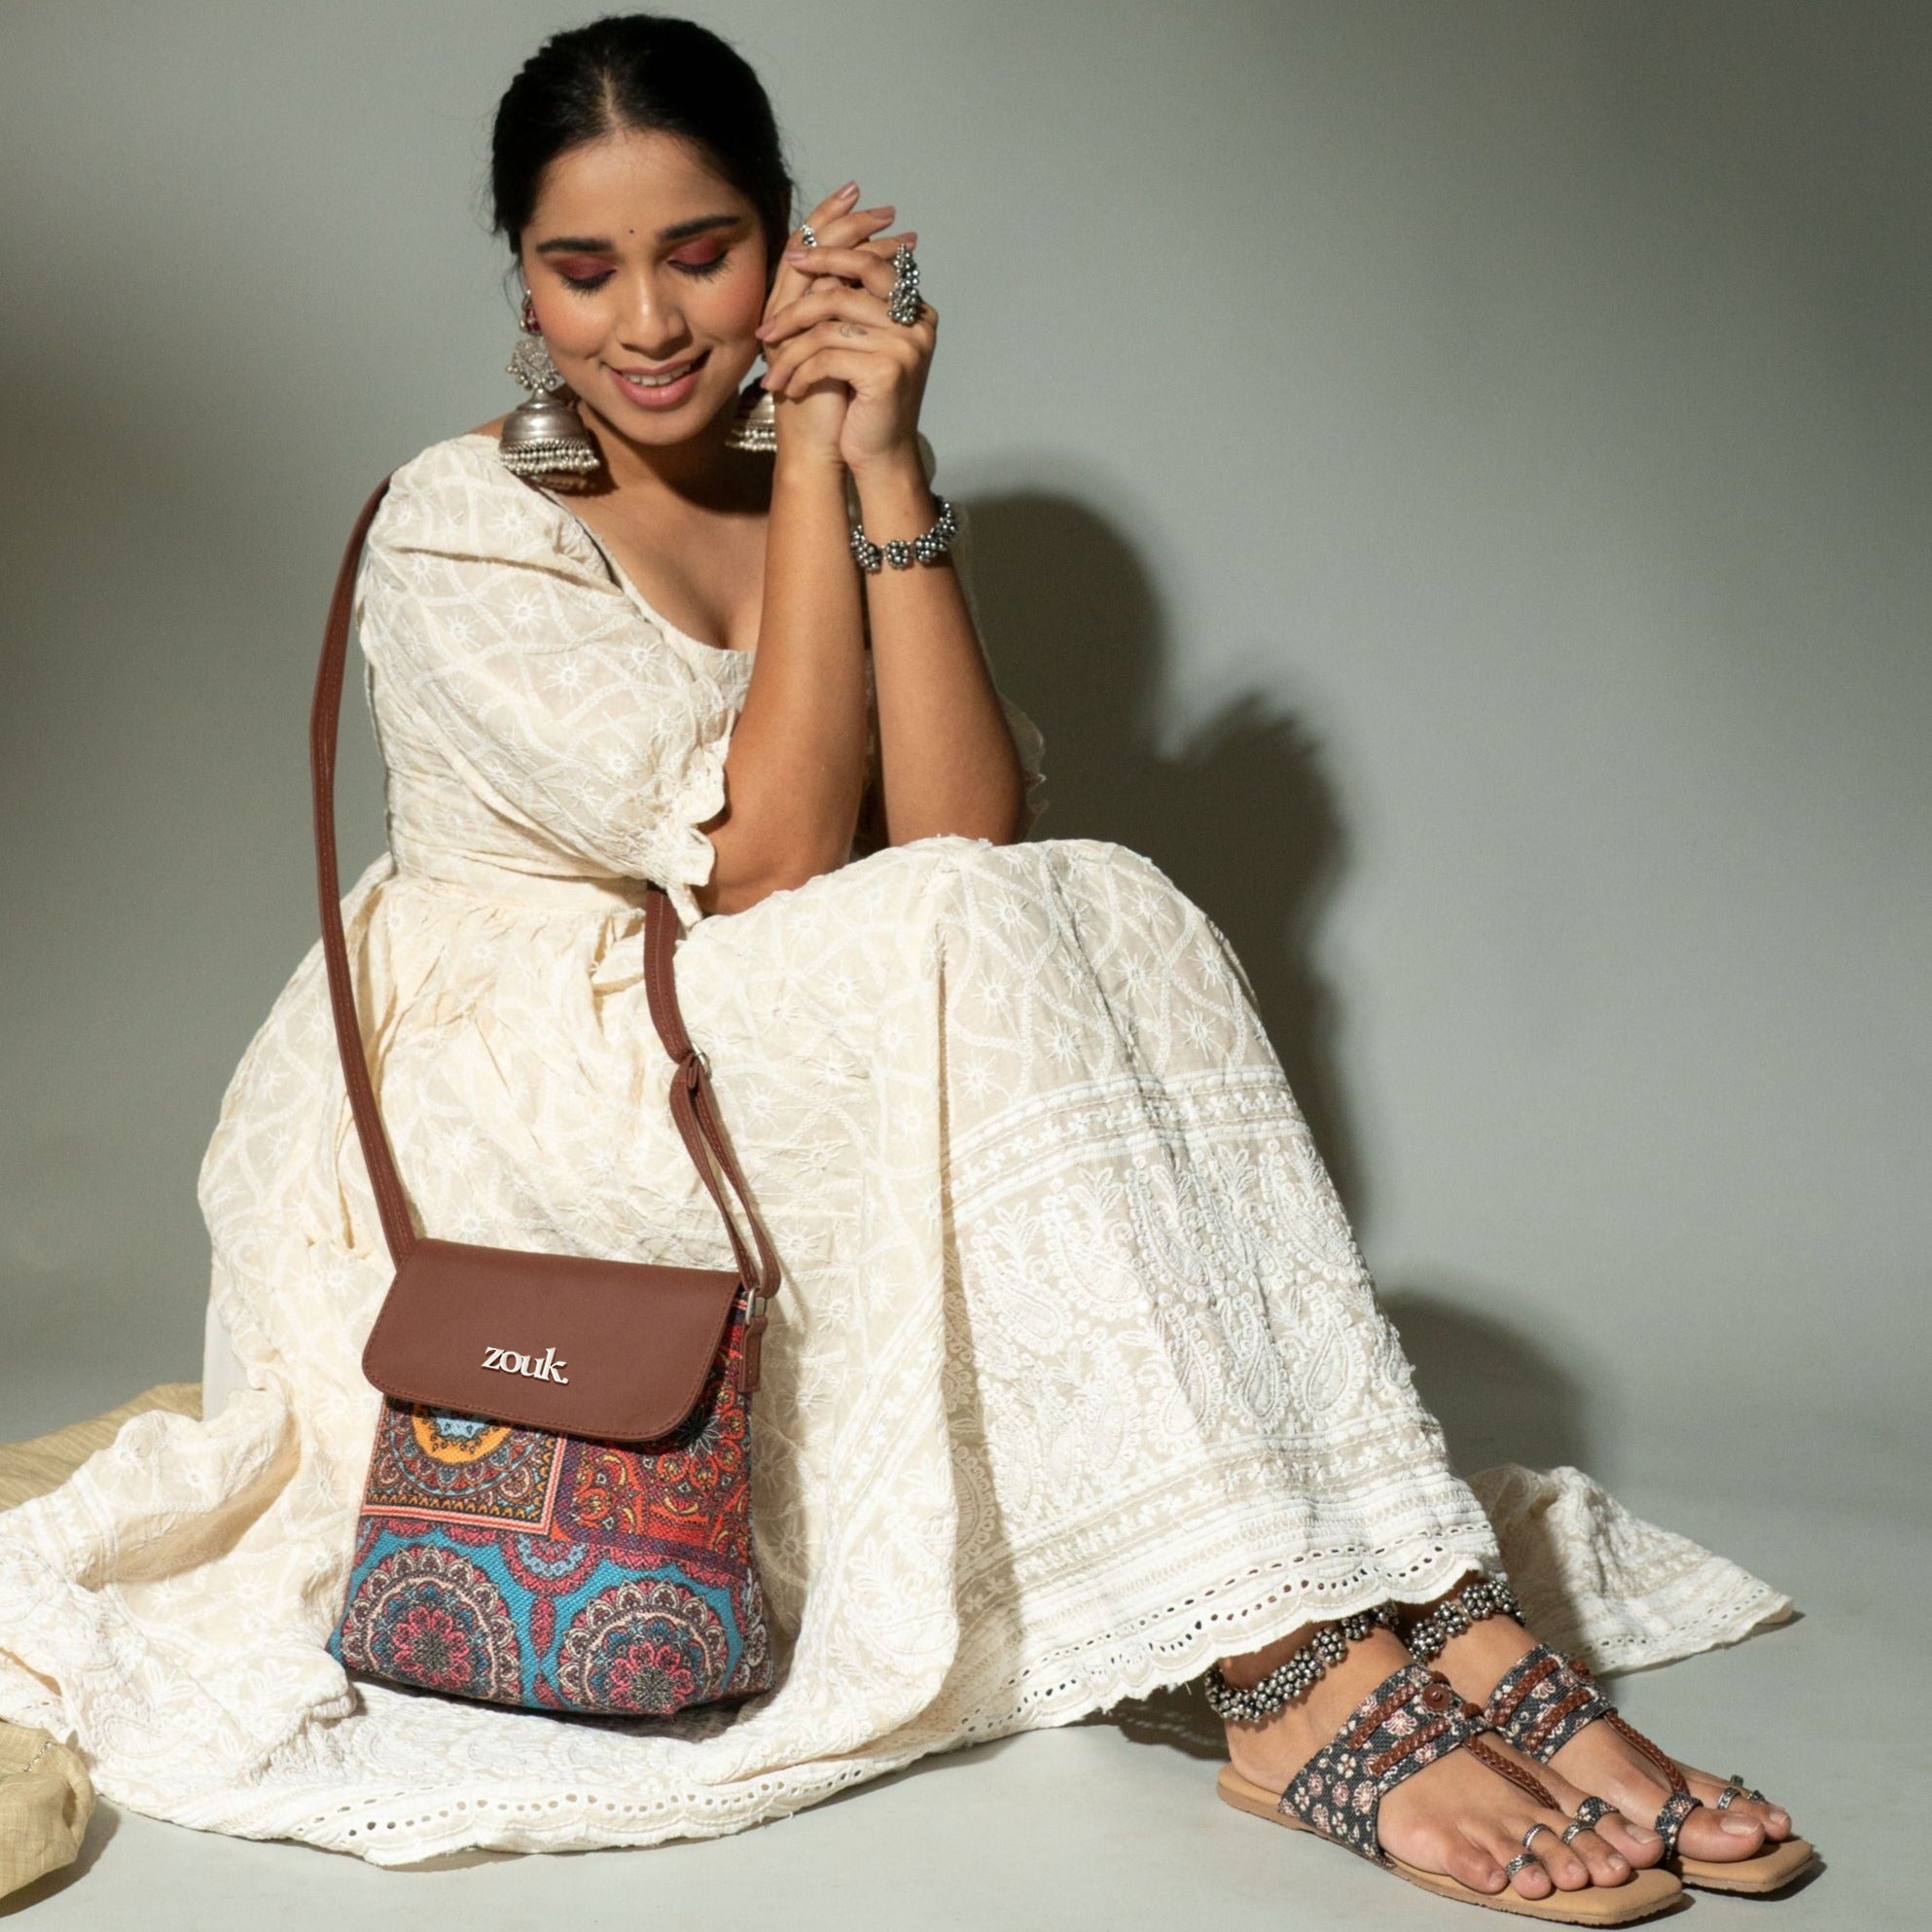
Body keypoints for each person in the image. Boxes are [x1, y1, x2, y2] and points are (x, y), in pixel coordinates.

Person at [0, 12, 1809, 1914]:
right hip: (518, 1090)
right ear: (523, 283)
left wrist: (880, 458)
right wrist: (802, 465)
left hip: (739, 1040)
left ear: (783, 248)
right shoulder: (465, 522)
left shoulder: (810, 467)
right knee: (984, 917)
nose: (646, 323)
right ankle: (1293, 1678)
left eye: (700, 252)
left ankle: (1427, 1614)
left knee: (1105, 893)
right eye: (582, 268)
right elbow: (780, 860)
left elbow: (967, 839)